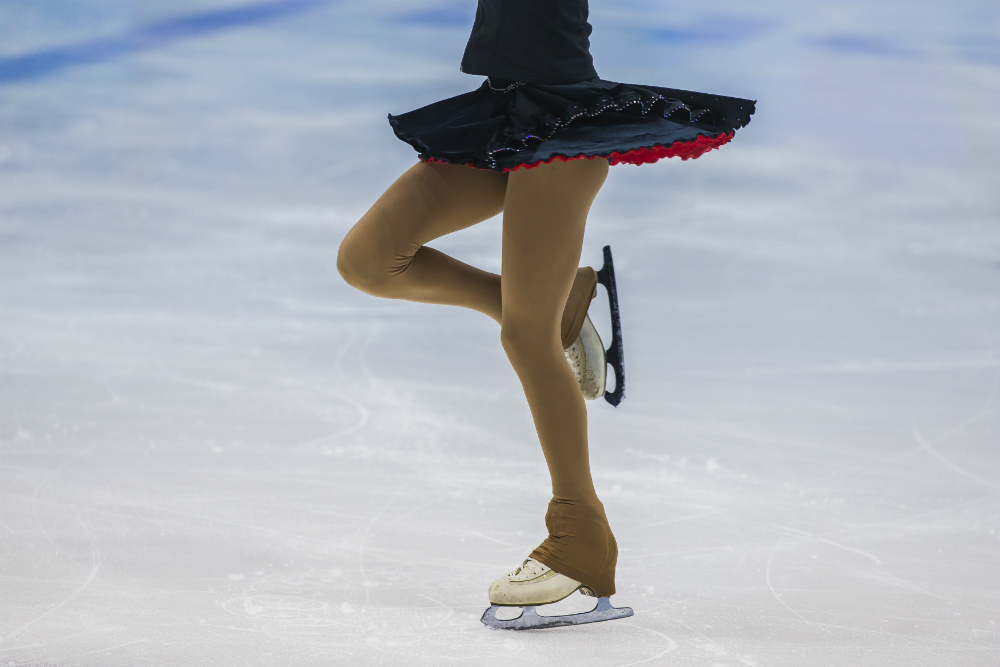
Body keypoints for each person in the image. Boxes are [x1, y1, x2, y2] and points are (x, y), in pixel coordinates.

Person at [337, 0, 754, 628]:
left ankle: (579, 538)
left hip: (564, 128)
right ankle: (560, 308)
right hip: (506, 113)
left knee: (525, 337)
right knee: (368, 260)